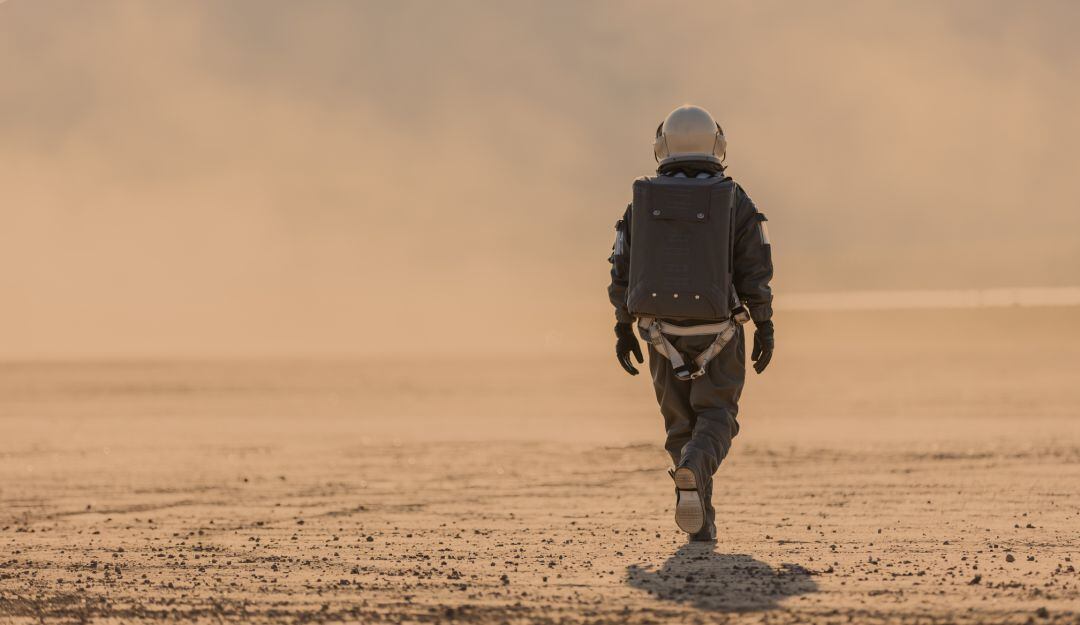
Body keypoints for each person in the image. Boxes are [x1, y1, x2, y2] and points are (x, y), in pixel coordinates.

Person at [607, 105, 774, 542]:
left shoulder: (641, 201)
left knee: (680, 426)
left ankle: (702, 521)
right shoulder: (734, 197)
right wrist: (765, 324)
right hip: (719, 330)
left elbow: (621, 267)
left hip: (659, 334)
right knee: (717, 416)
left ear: (662, 145)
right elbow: (755, 267)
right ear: (717, 143)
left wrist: (623, 327)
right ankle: (695, 472)